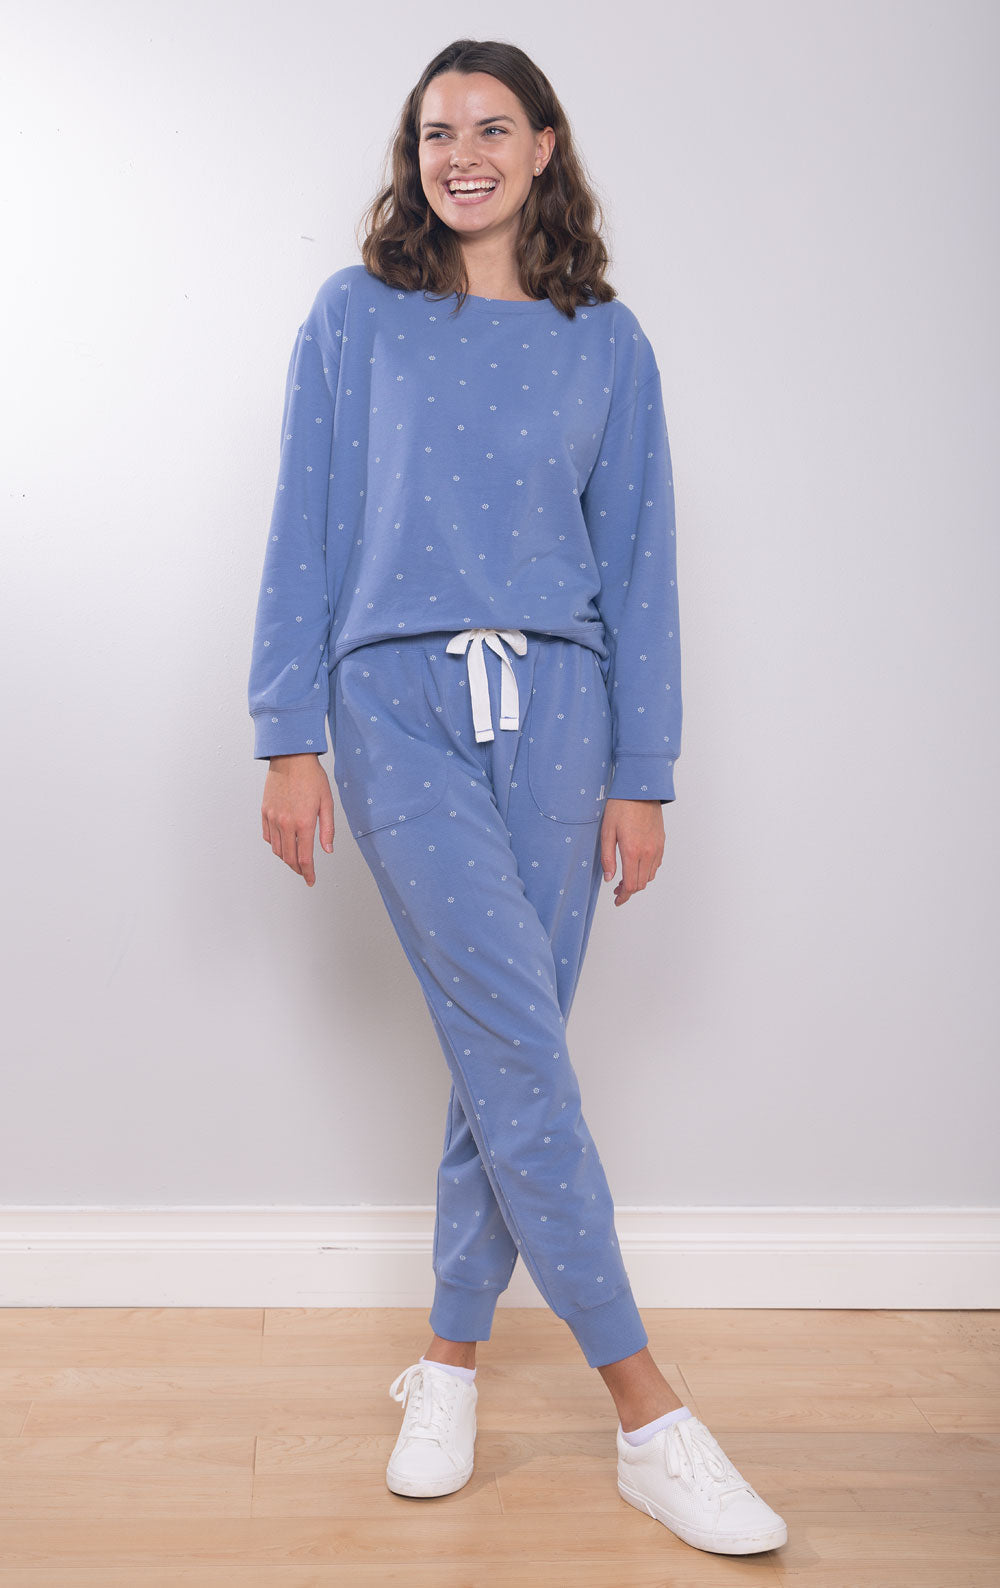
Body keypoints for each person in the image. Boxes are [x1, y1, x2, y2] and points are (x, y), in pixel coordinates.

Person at [247, 36, 787, 1559]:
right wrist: (288, 733)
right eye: (438, 131)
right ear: (411, 154)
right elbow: (304, 521)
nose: (463, 154)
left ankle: (449, 1363)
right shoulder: (354, 318)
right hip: (394, 705)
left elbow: (642, 566)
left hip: (562, 714)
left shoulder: (605, 341)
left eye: (493, 128)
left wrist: (642, 772)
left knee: (510, 1052)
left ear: (546, 147)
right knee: (517, 1045)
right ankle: (648, 1414)